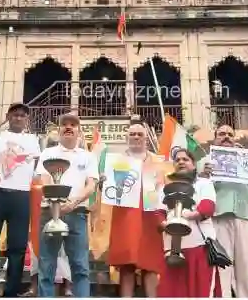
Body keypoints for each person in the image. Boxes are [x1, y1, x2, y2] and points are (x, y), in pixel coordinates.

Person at [0, 103, 41, 297]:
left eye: (22, 115)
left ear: (27, 119)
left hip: (21, 195)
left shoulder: (34, 140)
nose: (18, 118)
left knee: (17, 247)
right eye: (15, 115)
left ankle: (11, 292)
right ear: (8, 116)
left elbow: (37, 169)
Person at [35, 112, 98, 297]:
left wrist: (73, 202)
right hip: (49, 212)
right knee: (46, 265)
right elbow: (44, 179)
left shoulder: (88, 156)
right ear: (60, 130)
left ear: (79, 131)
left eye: (73, 124)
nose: (69, 127)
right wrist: (56, 201)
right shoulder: (48, 153)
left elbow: (91, 185)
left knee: (80, 266)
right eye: (65, 124)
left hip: (77, 213)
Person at [198, 124, 248, 297]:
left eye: (230, 134)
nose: (226, 136)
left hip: (245, 217)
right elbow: (198, 192)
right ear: (215, 138)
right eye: (222, 134)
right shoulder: (204, 162)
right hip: (217, 218)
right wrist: (203, 176)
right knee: (221, 268)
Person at [107, 122, 165, 297]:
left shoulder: (156, 160)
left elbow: (162, 187)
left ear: (146, 138)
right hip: (126, 215)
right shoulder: (117, 160)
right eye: (133, 134)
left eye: (140, 134)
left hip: (150, 215)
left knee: (151, 263)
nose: (136, 137)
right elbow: (111, 189)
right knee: (127, 263)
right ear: (127, 138)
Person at [156, 148, 221, 297]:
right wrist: (165, 224)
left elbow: (207, 207)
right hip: (172, 251)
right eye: (177, 160)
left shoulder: (203, 184)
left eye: (185, 159)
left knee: (201, 293)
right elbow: (159, 214)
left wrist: (187, 216)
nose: (181, 162)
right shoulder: (165, 188)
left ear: (193, 164)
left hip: (199, 248)